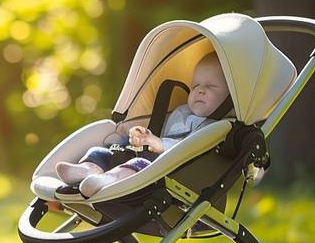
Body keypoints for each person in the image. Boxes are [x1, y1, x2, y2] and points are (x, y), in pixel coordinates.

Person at [56, 52, 230, 197]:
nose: (200, 90)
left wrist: (158, 144)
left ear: (230, 99)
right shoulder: (181, 112)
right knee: (100, 152)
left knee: (137, 165)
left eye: (211, 86)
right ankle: (87, 170)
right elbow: (159, 133)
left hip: (158, 172)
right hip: (139, 153)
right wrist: (142, 135)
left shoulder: (215, 128)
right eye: (195, 85)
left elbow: (190, 149)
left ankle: (105, 180)